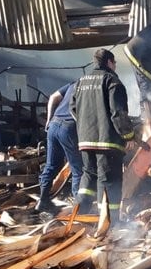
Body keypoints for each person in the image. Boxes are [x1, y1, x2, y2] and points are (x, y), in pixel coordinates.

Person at [70, 48, 136, 225]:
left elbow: (73, 108)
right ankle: (109, 223)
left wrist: (86, 127)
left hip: (85, 141)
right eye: (114, 63)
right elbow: (118, 113)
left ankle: (79, 216)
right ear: (109, 62)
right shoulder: (112, 81)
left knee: (89, 176)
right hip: (108, 143)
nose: (115, 66)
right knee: (108, 181)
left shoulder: (81, 81)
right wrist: (129, 136)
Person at [35, 82, 83, 214]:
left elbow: (53, 97)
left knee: (51, 165)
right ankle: (78, 209)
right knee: (78, 169)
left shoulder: (74, 83)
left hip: (54, 125)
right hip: (69, 127)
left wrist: (48, 119)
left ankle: (43, 201)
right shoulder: (94, 85)